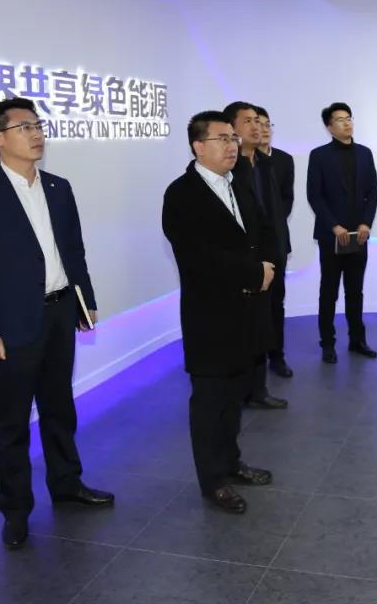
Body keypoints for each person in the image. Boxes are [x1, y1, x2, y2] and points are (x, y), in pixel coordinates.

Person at [0, 97, 113, 551]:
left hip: (60, 311)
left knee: (60, 407)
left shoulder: (59, 187)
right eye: (24, 127)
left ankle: (67, 484)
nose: (37, 134)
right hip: (12, 324)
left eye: (38, 125)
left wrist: (85, 301)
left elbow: (74, 250)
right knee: (12, 421)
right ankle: (15, 511)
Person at [162, 110, 278, 514]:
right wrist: (254, 272)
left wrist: (267, 267)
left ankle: (231, 462)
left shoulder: (238, 184)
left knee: (234, 395)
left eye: (233, 138)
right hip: (210, 315)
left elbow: (263, 231)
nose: (232, 145)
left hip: (247, 310)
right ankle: (212, 481)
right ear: (198, 146)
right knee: (210, 401)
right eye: (222, 139)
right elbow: (198, 256)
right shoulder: (181, 194)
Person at [225, 101, 288, 409]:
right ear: (232, 128)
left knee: (265, 320)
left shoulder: (264, 164)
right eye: (248, 121)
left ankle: (258, 389)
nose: (257, 127)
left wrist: (275, 252)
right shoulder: (229, 168)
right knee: (242, 325)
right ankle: (240, 389)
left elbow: (276, 209)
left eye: (259, 121)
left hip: (271, 254)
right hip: (244, 260)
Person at [306, 102, 377, 364]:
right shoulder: (319, 155)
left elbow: (373, 192)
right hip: (332, 236)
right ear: (329, 127)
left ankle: (358, 340)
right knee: (329, 291)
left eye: (349, 118)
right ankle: (327, 343)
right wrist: (334, 226)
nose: (347, 123)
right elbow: (314, 196)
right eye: (340, 119)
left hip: (359, 235)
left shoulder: (365, 153)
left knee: (355, 291)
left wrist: (366, 223)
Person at [256, 105, 295, 378]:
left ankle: (277, 356)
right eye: (257, 123)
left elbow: (287, 199)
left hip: (277, 242)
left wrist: (273, 224)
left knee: (275, 303)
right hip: (252, 247)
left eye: (267, 124)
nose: (263, 129)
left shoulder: (283, 160)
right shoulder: (240, 160)